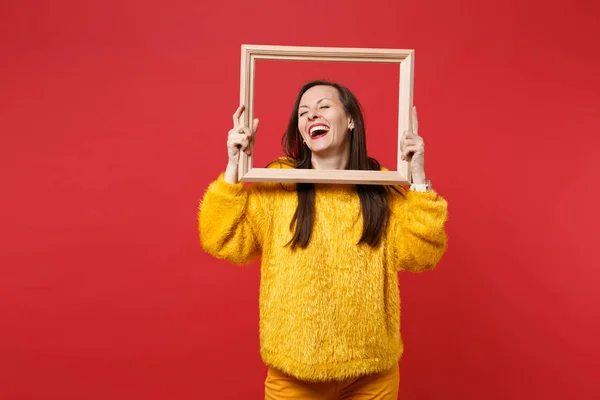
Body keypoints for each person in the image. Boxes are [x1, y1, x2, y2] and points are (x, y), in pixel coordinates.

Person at [198, 80, 448, 399]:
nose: (311, 114)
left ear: (351, 119)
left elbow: (423, 255)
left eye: (324, 106)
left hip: (372, 374)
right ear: (301, 130)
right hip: (293, 373)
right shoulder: (279, 182)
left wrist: (418, 179)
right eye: (303, 112)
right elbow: (221, 238)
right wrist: (234, 165)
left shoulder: (382, 185)